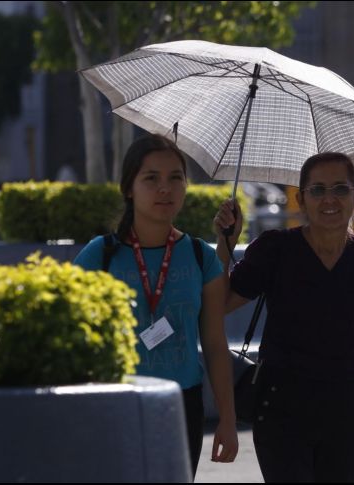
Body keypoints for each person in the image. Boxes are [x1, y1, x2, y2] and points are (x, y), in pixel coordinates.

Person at [214, 152, 354, 483]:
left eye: (340, 189)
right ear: (300, 199)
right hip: (281, 405)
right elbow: (221, 303)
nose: (329, 199)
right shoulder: (276, 249)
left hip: (348, 407)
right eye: (317, 190)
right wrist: (225, 245)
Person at [74, 134, 238, 477]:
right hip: (115, 401)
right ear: (129, 188)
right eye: (151, 178)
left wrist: (227, 417)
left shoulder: (199, 256)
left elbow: (214, 344)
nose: (165, 188)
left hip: (181, 404)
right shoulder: (99, 255)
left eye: (175, 178)